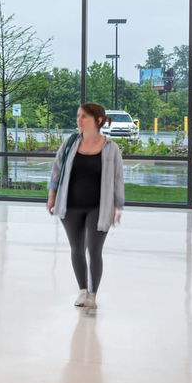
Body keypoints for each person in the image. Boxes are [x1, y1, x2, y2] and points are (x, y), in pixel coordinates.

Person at [47, 102, 125, 315]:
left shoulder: (111, 148)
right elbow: (56, 171)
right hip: (70, 205)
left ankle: (92, 294)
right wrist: (52, 196)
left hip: (99, 207)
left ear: (98, 121)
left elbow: (118, 178)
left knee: (94, 249)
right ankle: (82, 290)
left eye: (84, 117)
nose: (79, 120)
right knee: (76, 249)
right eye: (78, 116)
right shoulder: (70, 143)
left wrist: (118, 204)